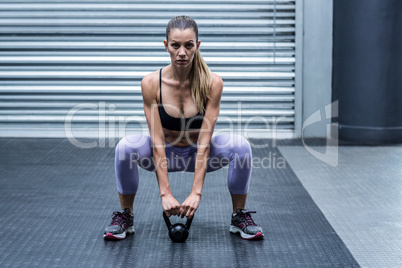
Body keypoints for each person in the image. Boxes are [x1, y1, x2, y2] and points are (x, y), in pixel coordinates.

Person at [103, 15, 264, 240]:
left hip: (198, 153)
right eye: (175, 45)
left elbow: (205, 142)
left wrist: (196, 193)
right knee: (125, 148)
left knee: (241, 147)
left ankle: (239, 216)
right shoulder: (150, 83)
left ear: (197, 46)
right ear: (166, 45)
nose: (182, 52)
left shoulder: (212, 83)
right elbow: (157, 141)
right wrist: (165, 194)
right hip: (164, 154)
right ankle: (125, 216)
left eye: (188, 46)